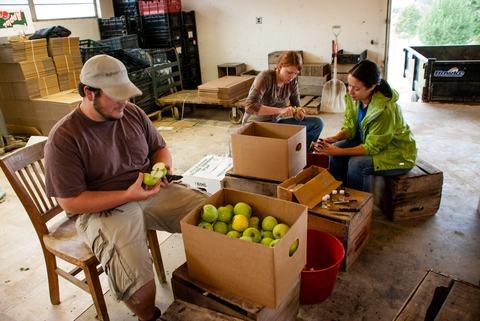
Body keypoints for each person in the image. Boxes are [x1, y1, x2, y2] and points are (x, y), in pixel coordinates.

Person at [44, 54, 207, 321]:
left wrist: (163, 167)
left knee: (209, 213)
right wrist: (127, 195)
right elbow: (71, 203)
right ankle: (149, 317)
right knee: (139, 289)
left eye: (126, 94)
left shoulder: (131, 113)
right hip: (103, 210)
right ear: (89, 92)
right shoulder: (64, 138)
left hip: (150, 192)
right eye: (116, 95)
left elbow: (159, 148)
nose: (125, 101)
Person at [313, 59, 417, 192]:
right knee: (337, 151)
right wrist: (334, 138)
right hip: (369, 140)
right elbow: (350, 127)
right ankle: (336, 193)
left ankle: (358, 205)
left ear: (372, 87)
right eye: (349, 85)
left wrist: (338, 151)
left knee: (356, 164)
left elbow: (372, 147)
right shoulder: (355, 98)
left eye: (356, 88)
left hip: (396, 153)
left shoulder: (385, 110)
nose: (350, 91)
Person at [243, 51, 324, 148]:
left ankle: (302, 154)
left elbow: (297, 106)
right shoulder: (265, 77)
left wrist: (298, 113)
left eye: (295, 73)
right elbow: (250, 107)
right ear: (279, 67)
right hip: (256, 125)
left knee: (317, 123)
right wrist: (280, 110)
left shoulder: (292, 82)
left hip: (275, 123)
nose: (292, 77)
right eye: (289, 72)